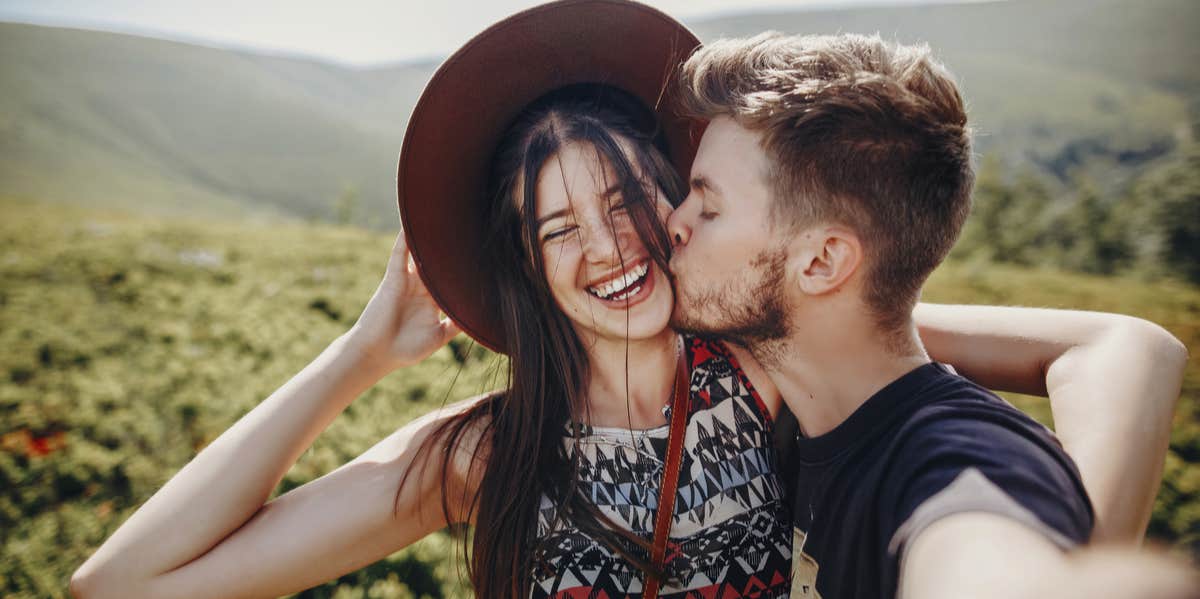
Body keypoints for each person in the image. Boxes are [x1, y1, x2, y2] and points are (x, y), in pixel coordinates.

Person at [69, 2, 1186, 598]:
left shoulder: (764, 358)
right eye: (559, 228)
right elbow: (121, 585)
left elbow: (1115, 349)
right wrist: (359, 358)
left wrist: (1070, 550)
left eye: (630, 197)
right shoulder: (490, 451)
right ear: (530, 266)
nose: (607, 247)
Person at [664, 31, 1191, 598]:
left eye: (708, 206)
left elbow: (982, 556)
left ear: (822, 261)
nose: (675, 220)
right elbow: (1133, 345)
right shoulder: (793, 409)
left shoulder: (951, 460)